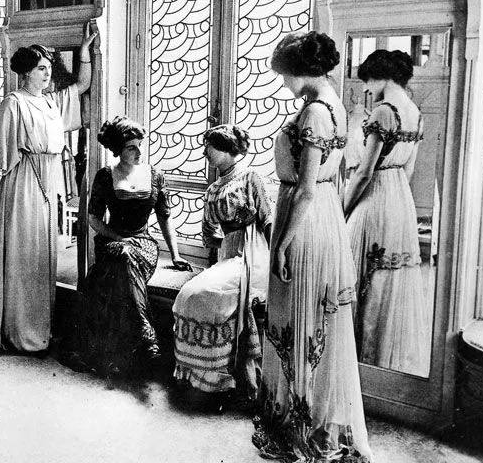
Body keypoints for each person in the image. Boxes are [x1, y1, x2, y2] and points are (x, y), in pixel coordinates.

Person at [251, 32, 372, 462]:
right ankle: (302, 421)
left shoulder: (316, 113)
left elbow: (304, 189)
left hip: (304, 217)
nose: (284, 83)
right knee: (309, 320)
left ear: (301, 71)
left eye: (285, 75)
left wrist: (283, 242)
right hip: (323, 213)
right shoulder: (333, 103)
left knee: (301, 319)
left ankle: (302, 429)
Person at [0, 23, 98, 352]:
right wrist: (21, 160)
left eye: (48, 68)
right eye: (41, 69)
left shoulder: (50, 102)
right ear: (26, 73)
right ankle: (18, 328)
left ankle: (38, 326)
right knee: (23, 251)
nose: (47, 74)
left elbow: (83, 85)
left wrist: (85, 53)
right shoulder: (14, 103)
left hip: (48, 178)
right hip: (24, 179)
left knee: (40, 252)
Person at [72, 116, 191, 377]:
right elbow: (93, 218)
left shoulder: (155, 176)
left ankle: (131, 347)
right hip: (112, 240)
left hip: (144, 243)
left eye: (140, 145)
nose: (138, 152)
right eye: (131, 147)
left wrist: (176, 255)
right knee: (121, 258)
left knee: (122, 264)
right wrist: (117, 238)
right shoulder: (105, 176)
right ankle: (145, 341)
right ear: (118, 150)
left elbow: (165, 218)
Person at [344, 50, 428, 376]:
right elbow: (409, 169)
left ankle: (358, 358)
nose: (367, 87)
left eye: (368, 80)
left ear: (381, 76)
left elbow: (364, 173)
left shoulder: (384, 111)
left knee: (360, 272)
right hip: (400, 200)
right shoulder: (415, 113)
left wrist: (343, 208)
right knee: (387, 277)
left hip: (376, 195)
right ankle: (382, 360)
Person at [172, 124, 271, 397]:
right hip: (229, 256)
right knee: (190, 294)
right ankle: (203, 377)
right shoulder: (213, 189)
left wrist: (276, 257)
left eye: (210, 147)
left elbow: (268, 219)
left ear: (227, 148)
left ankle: (219, 379)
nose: (205, 153)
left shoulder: (250, 177)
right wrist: (227, 243)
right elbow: (208, 235)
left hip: (256, 254)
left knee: (206, 295)